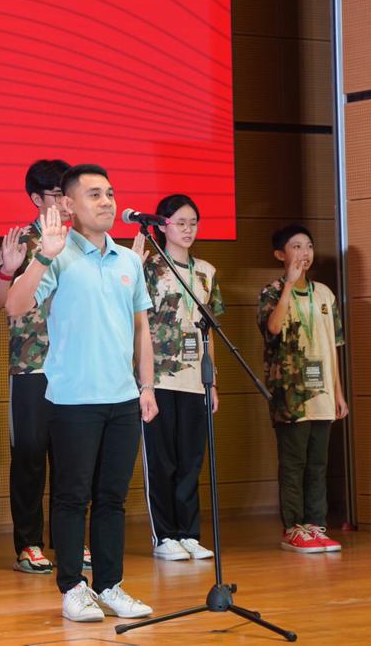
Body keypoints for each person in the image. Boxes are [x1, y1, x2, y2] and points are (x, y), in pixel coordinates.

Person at [5, 164, 157, 623]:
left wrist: (147, 386)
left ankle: (110, 585)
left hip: (122, 398)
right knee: (72, 498)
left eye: (110, 193)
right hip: (73, 400)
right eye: (94, 194)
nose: (107, 201)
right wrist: (43, 257)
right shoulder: (58, 254)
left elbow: (141, 329)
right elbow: (14, 306)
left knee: (112, 499)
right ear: (68, 205)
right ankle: (73, 587)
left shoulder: (128, 261)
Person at [0, 159, 96, 574]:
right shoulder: (23, 242)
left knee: (74, 461)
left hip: (79, 368)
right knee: (30, 456)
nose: (66, 202)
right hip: (32, 366)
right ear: (36, 198)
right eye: (57, 195)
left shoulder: (86, 242)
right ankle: (29, 544)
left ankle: (71, 541)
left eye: (69, 194)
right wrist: (5, 270)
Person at [136, 194, 224, 561]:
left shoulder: (206, 271)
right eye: (180, 223)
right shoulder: (149, 267)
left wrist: (211, 379)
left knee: (191, 460)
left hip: (194, 379)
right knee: (163, 461)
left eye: (193, 223)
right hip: (158, 378)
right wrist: (144, 383)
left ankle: (188, 533)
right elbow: (137, 323)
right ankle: (165, 536)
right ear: (163, 226)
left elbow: (209, 328)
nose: (188, 229)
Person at [257, 223, 348, 553]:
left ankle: (315, 525)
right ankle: (293, 528)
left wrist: (338, 394)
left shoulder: (324, 294)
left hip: (323, 392)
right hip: (290, 395)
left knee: (318, 464)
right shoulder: (271, 292)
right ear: (280, 254)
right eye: (296, 247)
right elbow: (273, 327)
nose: (304, 252)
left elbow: (333, 347)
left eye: (308, 246)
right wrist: (288, 287)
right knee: (293, 464)